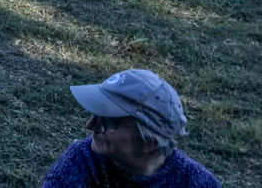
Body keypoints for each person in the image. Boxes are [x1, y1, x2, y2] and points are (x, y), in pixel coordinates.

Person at [43, 69, 221, 187]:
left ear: (149, 143)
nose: (90, 126)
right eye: (95, 116)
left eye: (109, 122)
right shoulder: (82, 160)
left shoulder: (197, 182)